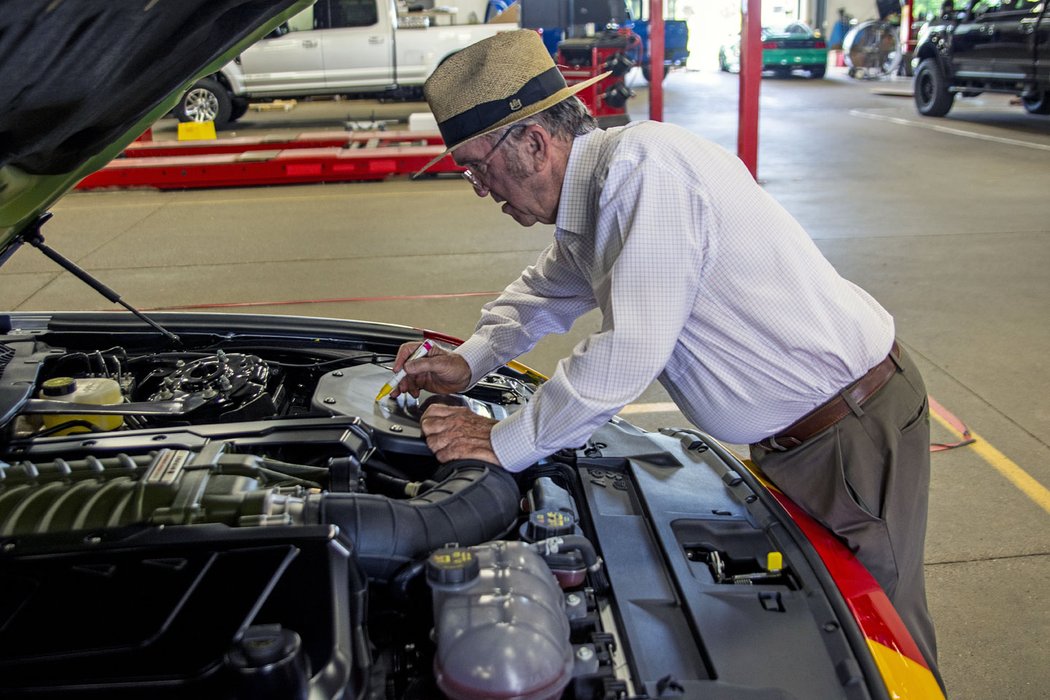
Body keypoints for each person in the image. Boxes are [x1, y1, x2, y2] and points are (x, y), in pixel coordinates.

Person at [392, 29, 942, 690]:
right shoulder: (593, 201)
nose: (480, 187)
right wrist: (470, 363)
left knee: (878, 645)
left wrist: (505, 441)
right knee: (833, 639)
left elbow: (630, 351)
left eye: (476, 166)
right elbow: (542, 293)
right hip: (800, 441)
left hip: (851, 431)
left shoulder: (646, 173)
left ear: (534, 143)